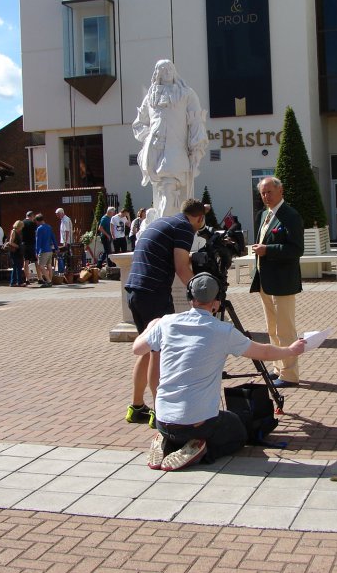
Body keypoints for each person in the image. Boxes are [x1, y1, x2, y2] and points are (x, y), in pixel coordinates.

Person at [134, 272, 307, 471]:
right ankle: (202, 450)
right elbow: (263, 351)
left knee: (181, 427)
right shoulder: (223, 331)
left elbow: (137, 349)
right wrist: (291, 350)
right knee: (238, 431)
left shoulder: (166, 323)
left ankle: (167, 441)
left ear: (190, 298)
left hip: (162, 420)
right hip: (198, 424)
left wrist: (151, 325)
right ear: (217, 302)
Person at [124, 198, 207, 426]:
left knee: (147, 348)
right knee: (159, 353)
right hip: (153, 292)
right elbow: (181, 268)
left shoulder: (165, 223)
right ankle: (160, 413)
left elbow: (170, 258)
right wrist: (202, 296)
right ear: (199, 218)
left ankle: (137, 407)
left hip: (135, 290)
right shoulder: (184, 228)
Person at [132, 59, 208, 217]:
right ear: (157, 73)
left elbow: (196, 121)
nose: (167, 72)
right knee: (162, 189)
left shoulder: (186, 93)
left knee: (169, 187)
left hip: (175, 149)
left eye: (170, 68)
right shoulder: (150, 97)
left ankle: (166, 226)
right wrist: (149, 137)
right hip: (155, 151)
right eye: (163, 69)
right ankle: (167, 224)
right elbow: (138, 124)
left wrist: (197, 147)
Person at [250, 177, 303, 388]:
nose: (265, 197)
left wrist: (267, 250)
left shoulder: (290, 215)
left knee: (286, 330)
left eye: (269, 192)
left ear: (280, 191)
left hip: (282, 282)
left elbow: (297, 249)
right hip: (265, 280)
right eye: (262, 193)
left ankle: (290, 375)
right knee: (272, 329)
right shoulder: (264, 215)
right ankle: (278, 368)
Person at [34, 213, 57, 287]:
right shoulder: (49, 227)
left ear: (37, 221)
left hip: (43, 250)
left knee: (41, 266)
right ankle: (50, 280)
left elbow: (38, 241)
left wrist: (37, 251)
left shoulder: (39, 228)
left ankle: (49, 281)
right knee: (49, 265)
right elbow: (53, 237)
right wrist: (56, 247)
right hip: (49, 249)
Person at [8, 220, 25, 287]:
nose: (22, 228)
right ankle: (19, 282)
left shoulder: (17, 232)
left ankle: (13, 282)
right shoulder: (14, 232)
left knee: (16, 267)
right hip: (15, 252)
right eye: (21, 227)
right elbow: (10, 242)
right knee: (17, 267)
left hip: (18, 252)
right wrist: (18, 246)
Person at [22, 211, 37, 283]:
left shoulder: (22, 223)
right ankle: (40, 278)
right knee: (36, 261)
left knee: (26, 261)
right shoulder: (33, 224)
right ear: (32, 216)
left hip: (24, 244)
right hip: (33, 244)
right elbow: (36, 234)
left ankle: (27, 279)